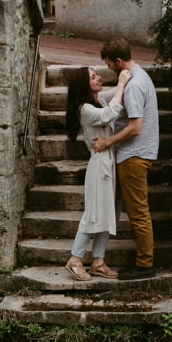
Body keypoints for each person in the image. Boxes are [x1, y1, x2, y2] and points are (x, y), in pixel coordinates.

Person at [90, 35, 158, 276]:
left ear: (118, 61)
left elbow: (135, 127)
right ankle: (143, 261)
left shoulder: (134, 85)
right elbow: (105, 101)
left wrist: (108, 141)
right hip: (135, 154)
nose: (107, 67)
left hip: (134, 155)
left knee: (138, 212)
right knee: (137, 211)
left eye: (108, 63)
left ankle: (145, 265)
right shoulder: (134, 79)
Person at [65, 66, 127, 281]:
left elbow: (112, 98)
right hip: (99, 164)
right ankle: (75, 258)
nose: (99, 77)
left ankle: (98, 261)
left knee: (107, 213)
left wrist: (125, 80)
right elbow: (110, 113)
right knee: (93, 214)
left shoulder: (97, 100)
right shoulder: (85, 109)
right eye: (93, 76)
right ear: (84, 84)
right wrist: (120, 83)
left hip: (109, 162)